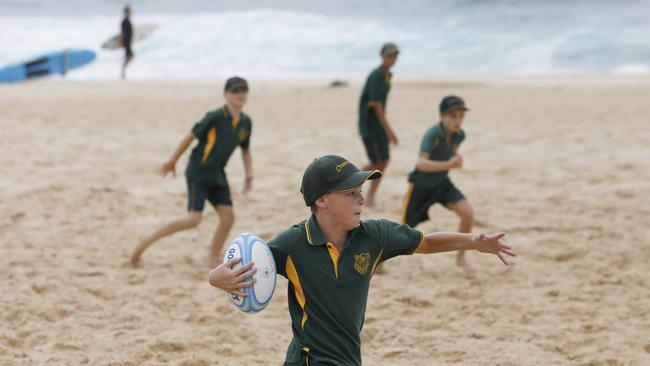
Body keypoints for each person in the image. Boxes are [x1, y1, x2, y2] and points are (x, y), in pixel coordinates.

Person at [209, 155, 516, 366]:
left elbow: (426, 242)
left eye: (361, 191)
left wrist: (474, 242)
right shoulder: (292, 244)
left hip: (348, 357)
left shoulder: (376, 236)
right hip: (307, 358)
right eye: (351, 193)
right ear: (322, 200)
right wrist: (217, 279)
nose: (361, 199)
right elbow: (243, 268)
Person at [131, 77, 254, 267]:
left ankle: (212, 261)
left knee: (228, 217)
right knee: (193, 220)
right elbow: (190, 136)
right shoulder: (215, 117)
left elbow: (245, 150)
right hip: (199, 172)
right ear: (225, 94)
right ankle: (146, 242)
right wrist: (172, 161)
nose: (240, 95)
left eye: (243, 91)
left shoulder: (246, 122)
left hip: (218, 174)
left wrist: (249, 175)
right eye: (235, 91)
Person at [402, 95, 477, 277]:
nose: (458, 120)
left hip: (442, 184)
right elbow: (421, 164)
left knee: (468, 214)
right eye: (453, 116)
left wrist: (457, 159)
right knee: (403, 231)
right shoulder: (432, 134)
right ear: (442, 116)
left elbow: (449, 154)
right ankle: (379, 261)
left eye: (461, 116)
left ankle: (460, 258)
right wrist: (450, 164)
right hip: (421, 186)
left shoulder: (460, 135)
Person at [358, 43, 400, 206]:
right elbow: (377, 106)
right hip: (370, 126)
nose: (392, 59)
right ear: (382, 56)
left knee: (384, 161)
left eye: (395, 56)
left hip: (377, 125)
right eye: (389, 55)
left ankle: (371, 197)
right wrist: (389, 130)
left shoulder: (387, 75)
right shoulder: (377, 76)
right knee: (377, 162)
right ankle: (351, 178)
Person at [120, 6, 134, 80]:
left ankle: (123, 72)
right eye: (130, 11)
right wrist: (121, 42)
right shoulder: (124, 21)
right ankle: (123, 72)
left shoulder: (128, 20)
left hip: (128, 41)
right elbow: (122, 33)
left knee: (129, 56)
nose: (131, 12)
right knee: (131, 55)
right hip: (126, 42)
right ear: (126, 12)